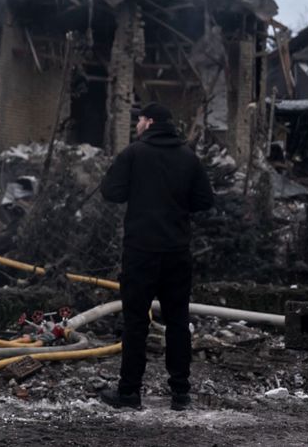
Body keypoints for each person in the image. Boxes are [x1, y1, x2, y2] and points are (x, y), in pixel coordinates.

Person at [98, 102, 214, 411]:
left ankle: (129, 393)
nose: (136, 126)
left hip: (140, 252)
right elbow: (205, 200)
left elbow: (111, 192)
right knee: (178, 321)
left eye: (139, 120)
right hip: (177, 252)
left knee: (136, 322)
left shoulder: (134, 154)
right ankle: (180, 393)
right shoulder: (188, 157)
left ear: (149, 122)